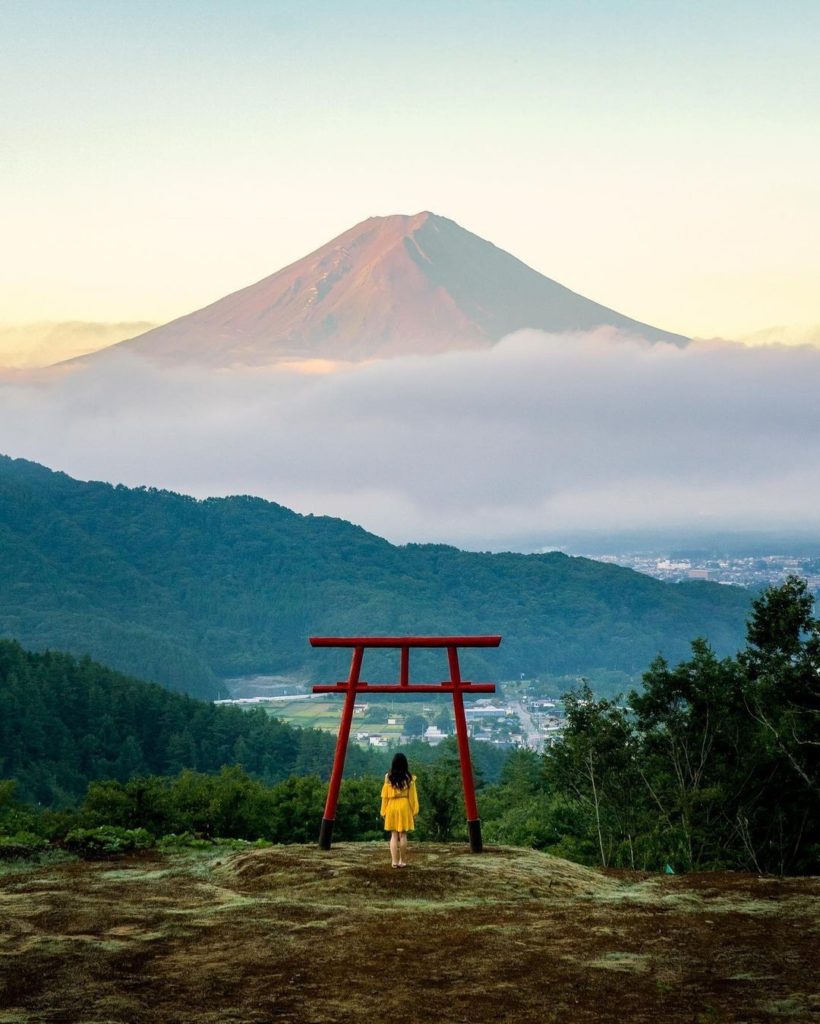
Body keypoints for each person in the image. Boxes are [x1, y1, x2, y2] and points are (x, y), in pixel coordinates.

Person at [380, 752, 419, 868]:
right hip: (404, 806)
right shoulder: (409, 778)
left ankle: (394, 861)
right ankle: (402, 861)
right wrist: (414, 811)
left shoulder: (388, 777)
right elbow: (413, 797)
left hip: (391, 806)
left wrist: (383, 811)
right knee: (403, 835)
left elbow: (385, 796)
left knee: (393, 835)